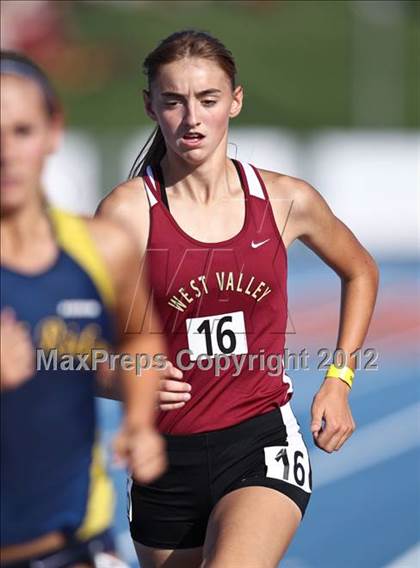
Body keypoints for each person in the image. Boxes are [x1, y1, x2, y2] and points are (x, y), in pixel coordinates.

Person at [97, 30, 379, 568]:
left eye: (208, 100)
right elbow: (76, 344)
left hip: (260, 442)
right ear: (150, 105)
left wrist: (339, 381)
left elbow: (360, 270)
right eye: (175, 101)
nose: (193, 119)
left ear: (236, 100)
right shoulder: (127, 213)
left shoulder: (284, 200)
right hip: (163, 462)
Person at [0, 50, 167, 567]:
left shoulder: (104, 248)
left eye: (22, 130)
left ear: (53, 132)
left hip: (78, 547)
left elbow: (141, 336)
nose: (5, 152)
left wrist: (139, 420)